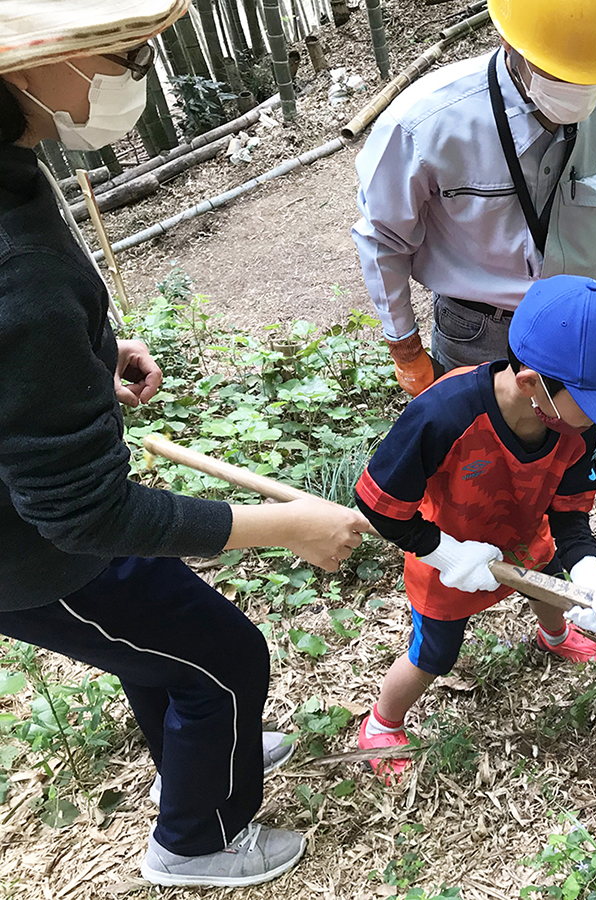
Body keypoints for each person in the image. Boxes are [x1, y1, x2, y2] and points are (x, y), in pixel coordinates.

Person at [0, 1, 371, 887]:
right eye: (121, 54)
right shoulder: (22, 274)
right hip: (34, 554)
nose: (134, 75)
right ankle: (195, 841)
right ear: (21, 68)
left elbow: (23, 351)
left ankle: (205, 749)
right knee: (230, 659)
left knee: (169, 650)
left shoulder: (13, 172)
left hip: (41, 518)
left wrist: (90, 356)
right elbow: (86, 510)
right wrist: (285, 525)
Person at [351, 0, 596, 551]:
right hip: (480, 325)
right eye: (557, 71)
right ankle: (497, 542)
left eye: (589, 74)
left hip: (584, 314)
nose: (576, 88)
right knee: (480, 447)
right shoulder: (427, 123)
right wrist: (404, 345)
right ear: (511, 44)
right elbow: (383, 238)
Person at [353, 275, 596, 781]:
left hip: (523, 532)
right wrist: (442, 551)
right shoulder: (443, 414)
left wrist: (588, 569)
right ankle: (383, 723)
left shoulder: (575, 422)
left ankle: (554, 635)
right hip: (448, 556)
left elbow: (569, 510)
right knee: (435, 653)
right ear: (532, 383)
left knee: (553, 587)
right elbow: (379, 505)